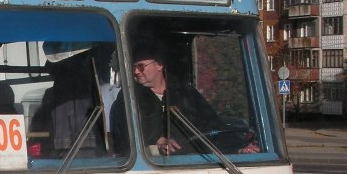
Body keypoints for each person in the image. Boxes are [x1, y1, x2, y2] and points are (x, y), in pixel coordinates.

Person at [110, 47, 257, 156]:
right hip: (153, 169)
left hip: (193, 164)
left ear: (159, 65)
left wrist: (237, 149)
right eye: (134, 67)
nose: (136, 72)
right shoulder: (128, 98)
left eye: (140, 66)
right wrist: (158, 141)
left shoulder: (186, 93)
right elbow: (126, 135)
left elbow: (212, 127)